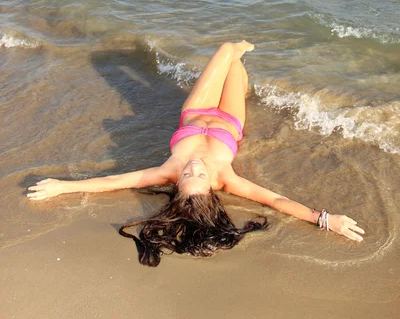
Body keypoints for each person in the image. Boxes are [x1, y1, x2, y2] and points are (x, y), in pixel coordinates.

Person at [28, 41, 365, 266]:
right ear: (210, 186)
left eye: (187, 175)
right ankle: (250, 55)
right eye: (198, 175)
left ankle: (241, 44)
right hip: (231, 118)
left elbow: (113, 181)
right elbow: (275, 201)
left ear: (178, 184)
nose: (192, 167)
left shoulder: (167, 171)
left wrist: (63, 185)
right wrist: (325, 219)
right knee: (237, 69)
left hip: (194, 112)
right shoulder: (226, 178)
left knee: (226, 50)